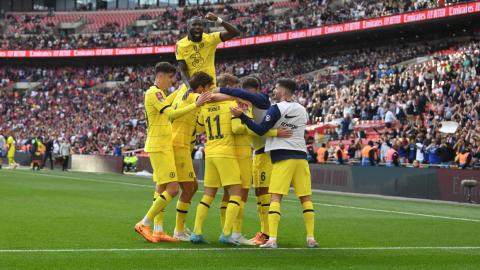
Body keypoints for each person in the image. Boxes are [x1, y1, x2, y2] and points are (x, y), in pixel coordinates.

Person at [230, 78, 319, 249]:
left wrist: (241, 116)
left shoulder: (276, 108)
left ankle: (272, 239)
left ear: (283, 92)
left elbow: (261, 130)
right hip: (301, 156)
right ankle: (311, 238)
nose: (274, 91)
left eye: (277, 88)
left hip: (282, 156)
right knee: (305, 198)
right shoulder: (302, 109)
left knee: (275, 196)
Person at [134, 62, 211, 243]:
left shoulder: (159, 94)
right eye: (170, 77)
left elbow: (173, 100)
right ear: (160, 76)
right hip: (159, 145)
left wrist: (185, 88)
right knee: (174, 189)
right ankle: (144, 224)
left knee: (163, 187)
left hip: (165, 144)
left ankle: (158, 230)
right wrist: (196, 102)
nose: (172, 80)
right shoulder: (154, 92)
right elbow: (171, 114)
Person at [214, 75, 292, 245]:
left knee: (265, 193)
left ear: (254, 91)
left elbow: (235, 94)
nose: (244, 98)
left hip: (268, 151)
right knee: (258, 193)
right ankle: (263, 233)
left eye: (247, 94)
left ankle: (267, 234)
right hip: (258, 152)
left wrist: (217, 90)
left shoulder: (262, 99)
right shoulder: (249, 101)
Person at [154, 71, 214, 242]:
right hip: (178, 146)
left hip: (176, 144)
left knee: (192, 186)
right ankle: (178, 231)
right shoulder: (194, 96)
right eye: (208, 88)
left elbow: (200, 128)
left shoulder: (184, 91)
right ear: (201, 87)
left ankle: (174, 228)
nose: (209, 91)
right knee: (186, 188)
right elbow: (208, 99)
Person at [190, 82, 243, 247]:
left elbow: (198, 130)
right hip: (226, 152)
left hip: (210, 152)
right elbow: (237, 129)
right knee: (236, 193)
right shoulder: (232, 104)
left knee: (208, 195)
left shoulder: (205, 107)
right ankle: (226, 234)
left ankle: (196, 232)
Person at [175, 13, 240, 103]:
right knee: (178, 108)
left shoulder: (211, 38)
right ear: (188, 29)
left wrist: (217, 19)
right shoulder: (180, 45)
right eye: (194, 25)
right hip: (192, 87)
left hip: (208, 87)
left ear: (203, 29)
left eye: (200, 25)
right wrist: (189, 87)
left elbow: (235, 33)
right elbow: (183, 70)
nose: (197, 27)